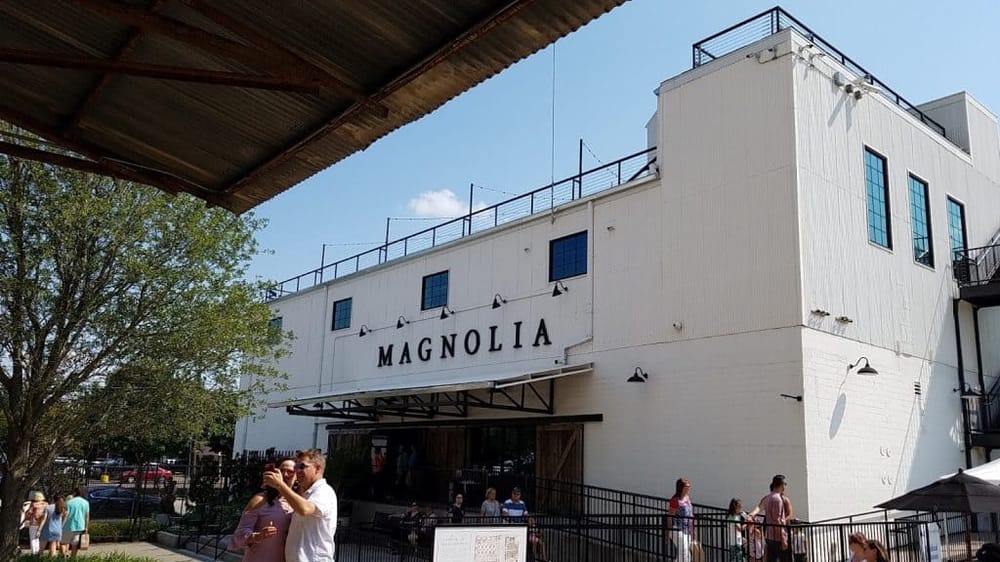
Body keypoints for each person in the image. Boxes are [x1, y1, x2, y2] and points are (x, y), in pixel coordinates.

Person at [263, 448, 338, 562]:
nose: (297, 471)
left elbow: (305, 509)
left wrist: (279, 485)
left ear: (317, 468)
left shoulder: (324, 491)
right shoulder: (306, 494)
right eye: (296, 467)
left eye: (301, 467)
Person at [231, 458, 296, 561]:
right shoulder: (260, 500)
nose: (285, 475)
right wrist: (259, 536)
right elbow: (240, 534)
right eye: (282, 471)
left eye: (290, 472)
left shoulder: (299, 502)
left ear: (296, 476)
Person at [749, 475, 792, 562]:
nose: (785, 487)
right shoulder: (777, 499)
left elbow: (759, 507)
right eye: (785, 484)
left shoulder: (767, 497)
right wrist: (783, 540)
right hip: (778, 538)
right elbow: (777, 521)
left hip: (769, 537)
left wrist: (752, 514)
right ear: (781, 484)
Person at [668, 478, 695, 562]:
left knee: (686, 554)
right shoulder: (675, 500)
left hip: (687, 530)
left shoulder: (687, 498)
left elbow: (691, 514)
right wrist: (669, 530)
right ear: (681, 488)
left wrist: (693, 530)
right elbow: (670, 516)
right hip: (677, 529)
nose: (688, 488)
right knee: (684, 551)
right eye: (686, 487)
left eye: (689, 486)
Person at [63, 486, 90, 558]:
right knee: (75, 543)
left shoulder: (69, 502)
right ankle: (73, 557)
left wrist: (61, 525)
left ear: (75, 493)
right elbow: (87, 516)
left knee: (64, 543)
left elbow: (65, 515)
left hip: (68, 525)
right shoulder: (86, 503)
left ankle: (64, 556)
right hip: (80, 526)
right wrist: (86, 527)